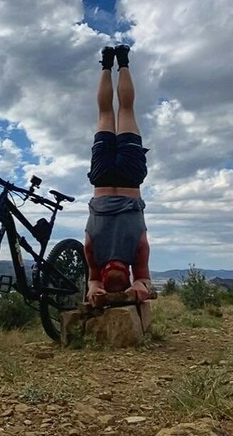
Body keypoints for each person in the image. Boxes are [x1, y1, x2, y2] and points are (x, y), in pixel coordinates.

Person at [84, 44, 153, 307]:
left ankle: (117, 61)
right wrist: (140, 283)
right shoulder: (96, 257)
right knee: (109, 113)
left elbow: (93, 279)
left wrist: (137, 282)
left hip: (124, 180)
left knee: (121, 111)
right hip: (108, 181)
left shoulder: (128, 254)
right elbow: (95, 279)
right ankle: (109, 62)